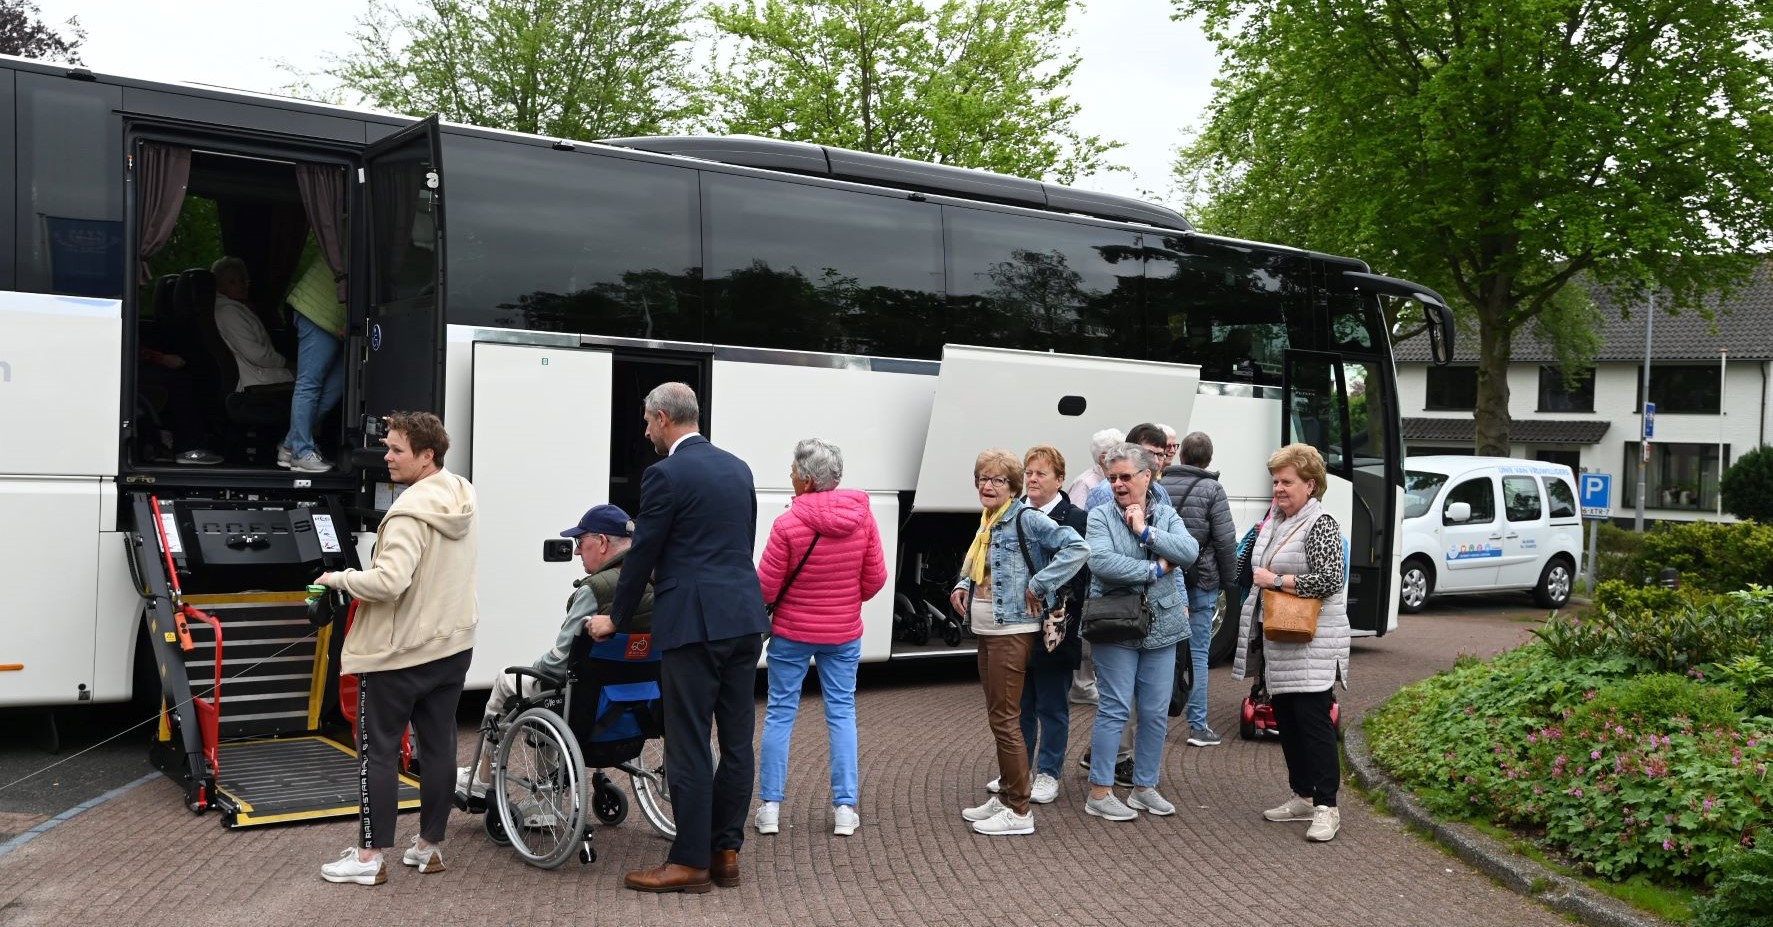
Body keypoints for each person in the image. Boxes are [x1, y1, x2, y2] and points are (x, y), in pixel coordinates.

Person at [591, 382, 767, 894]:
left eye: (647, 422)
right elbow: (742, 543)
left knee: (687, 741)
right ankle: (725, 851)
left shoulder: (664, 474)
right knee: (737, 743)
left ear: (665, 418)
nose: (645, 432)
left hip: (693, 623)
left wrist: (615, 619)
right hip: (744, 616)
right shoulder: (739, 468)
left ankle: (690, 861)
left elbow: (643, 552)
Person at [314, 412, 477, 885]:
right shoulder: (462, 494)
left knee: (377, 752)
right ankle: (429, 847)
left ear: (427, 455)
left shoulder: (407, 513)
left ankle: (368, 858)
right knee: (440, 745)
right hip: (452, 645)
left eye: (397, 450)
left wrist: (337, 578)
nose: (386, 456)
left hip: (400, 653)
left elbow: (388, 582)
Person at [455, 503, 652, 798]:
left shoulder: (595, 589)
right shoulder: (655, 579)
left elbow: (558, 663)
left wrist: (535, 669)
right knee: (547, 692)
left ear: (601, 542)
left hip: (585, 702)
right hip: (638, 699)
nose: (576, 552)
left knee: (510, 681)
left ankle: (485, 779)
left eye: (580, 542)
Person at [948, 449, 1087, 836]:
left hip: (1011, 631)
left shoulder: (1024, 518)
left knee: (1008, 720)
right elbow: (979, 563)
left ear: (1011, 487)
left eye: (997, 480)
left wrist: (1040, 584)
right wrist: (962, 584)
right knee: (1000, 717)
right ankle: (1009, 792)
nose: (987, 486)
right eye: (982, 478)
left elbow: (1077, 548)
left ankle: (1020, 811)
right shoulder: (988, 519)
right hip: (988, 629)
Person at [753, 438, 886, 838]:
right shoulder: (862, 518)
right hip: (843, 633)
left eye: (793, 472)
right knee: (842, 713)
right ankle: (845, 810)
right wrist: (846, 599)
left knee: (780, 713)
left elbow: (765, 588)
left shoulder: (787, 524)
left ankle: (771, 809)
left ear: (808, 481)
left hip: (792, 634)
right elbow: (875, 578)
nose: (790, 478)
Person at [1232, 443, 1349, 843]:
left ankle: (1327, 807)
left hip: (1312, 641)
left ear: (1310, 485)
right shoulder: (1275, 520)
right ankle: (1303, 796)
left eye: (1287, 482)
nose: (1278, 489)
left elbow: (1330, 579)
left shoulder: (1322, 523)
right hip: (1280, 639)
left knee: (1314, 725)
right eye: (1275, 482)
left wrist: (1278, 581)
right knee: (1287, 721)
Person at [1081, 443, 1198, 822]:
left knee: (1154, 712)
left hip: (1162, 625)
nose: (1118, 484)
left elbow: (1189, 551)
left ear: (1147, 476)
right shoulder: (1099, 516)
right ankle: (1099, 792)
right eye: (1113, 477)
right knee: (1114, 708)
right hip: (1116, 623)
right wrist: (1153, 570)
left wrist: (1146, 533)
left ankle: (1144, 788)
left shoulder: (1164, 513)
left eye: (1126, 477)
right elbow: (1101, 562)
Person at [980, 445, 1089, 807]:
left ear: (1060, 480)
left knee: (1052, 703)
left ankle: (1049, 772)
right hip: (1019, 624)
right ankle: (1019, 771)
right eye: (1028, 472)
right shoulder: (1010, 512)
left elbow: (1078, 568)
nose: (1032, 478)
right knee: (1021, 704)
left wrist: (1041, 585)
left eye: (1041, 473)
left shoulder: (1072, 517)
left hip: (1056, 624)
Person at [1158, 431, 1240, 747]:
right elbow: (1224, 540)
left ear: (1180, 456)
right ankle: (1198, 726)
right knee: (1198, 653)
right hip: (1201, 579)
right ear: (1208, 459)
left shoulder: (1161, 485)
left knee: (1165, 651)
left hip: (1165, 577)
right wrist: (1230, 581)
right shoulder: (1212, 489)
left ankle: (1158, 723)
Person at [1066, 427, 1123, 707]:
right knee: (1086, 625)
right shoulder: (1086, 484)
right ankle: (1082, 684)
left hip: (1097, 563)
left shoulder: (1109, 482)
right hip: (1087, 566)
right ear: (1104, 457)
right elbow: (1075, 529)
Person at [279, 254, 347, 473]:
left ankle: (290, 445)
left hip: (339, 317)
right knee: (309, 384)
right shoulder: (353, 233)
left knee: (339, 384)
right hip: (318, 311)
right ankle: (300, 452)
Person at [210, 256, 294, 392]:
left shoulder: (234, 308)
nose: (241, 285)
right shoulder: (228, 312)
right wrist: (285, 363)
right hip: (255, 378)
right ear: (220, 286)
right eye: (232, 282)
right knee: (311, 379)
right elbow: (257, 355)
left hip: (256, 374)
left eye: (243, 280)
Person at [1084, 423, 1173, 511]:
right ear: (1129, 451)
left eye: (1160, 455)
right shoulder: (1104, 492)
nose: (1156, 461)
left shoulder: (1160, 491)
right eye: (1149, 454)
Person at [1064, 427, 1123, 509]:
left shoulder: (1115, 480)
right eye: (1119, 454)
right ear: (1103, 458)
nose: (1125, 457)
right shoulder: (1084, 483)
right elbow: (1076, 518)